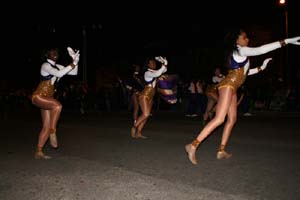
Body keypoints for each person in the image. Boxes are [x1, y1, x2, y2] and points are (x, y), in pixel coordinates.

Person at [185, 28, 300, 165]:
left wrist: (262, 67)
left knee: (232, 119)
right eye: (244, 37)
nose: (247, 39)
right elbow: (260, 50)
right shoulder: (240, 50)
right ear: (237, 40)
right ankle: (192, 145)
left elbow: (245, 73)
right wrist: (286, 41)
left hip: (233, 87)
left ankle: (221, 150)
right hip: (228, 86)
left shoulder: (241, 55)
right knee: (220, 118)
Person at [31, 47, 80, 159]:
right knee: (58, 105)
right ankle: (53, 131)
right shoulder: (45, 65)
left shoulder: (59, 66)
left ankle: (39, 151)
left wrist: (75, 60)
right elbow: (59, 74)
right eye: (51, 52)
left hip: (48, 98)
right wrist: (72, 63)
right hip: (38, 97)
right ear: (46, 55)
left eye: (56, 52)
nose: (55, 53)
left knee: (45, 127)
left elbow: (74, 72)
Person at [130, 56, 168, 139]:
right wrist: (164, 64)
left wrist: (165, 62)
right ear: (148, 65)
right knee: (146, 114)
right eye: (151, 62)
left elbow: (164, 70)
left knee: (146, 116)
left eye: (154, 62)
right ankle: (134, 127)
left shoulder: (154, 72)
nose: (154, 64)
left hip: (151, 96)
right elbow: (158, 73)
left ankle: (139, 133)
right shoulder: (147, 73)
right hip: (144, 95)